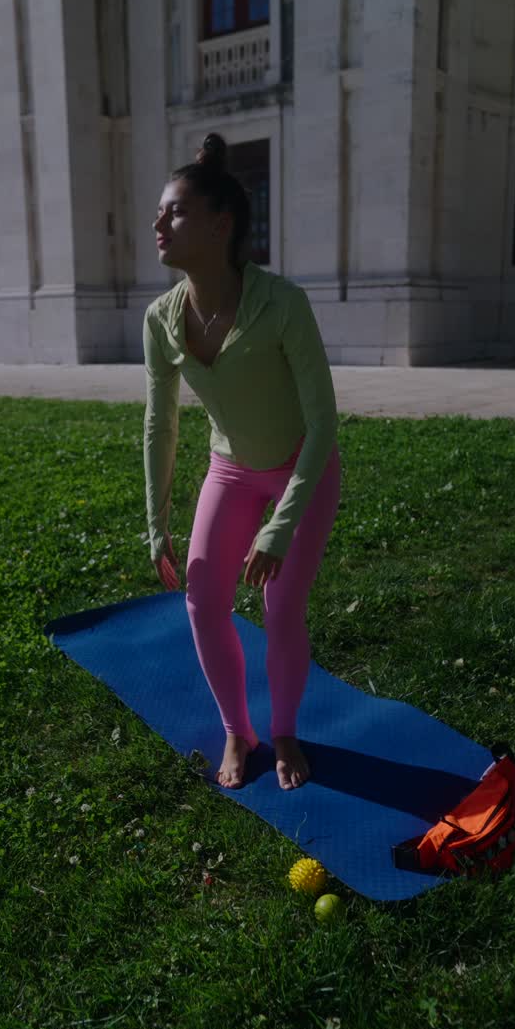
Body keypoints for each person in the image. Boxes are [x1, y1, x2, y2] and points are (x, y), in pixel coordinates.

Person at [143, 132, 341, 792]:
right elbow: (160, 423)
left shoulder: (282, 303)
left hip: (301, 469)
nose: (159, 224)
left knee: (280, 610)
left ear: (220, 224)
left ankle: (282, 731)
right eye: (159, 212)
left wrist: (279, 528)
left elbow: (323, 423)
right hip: (229, 470)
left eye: (175, 212)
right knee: (203, 604)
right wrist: (156, 523)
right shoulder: (161, 319)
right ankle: (238, 729)